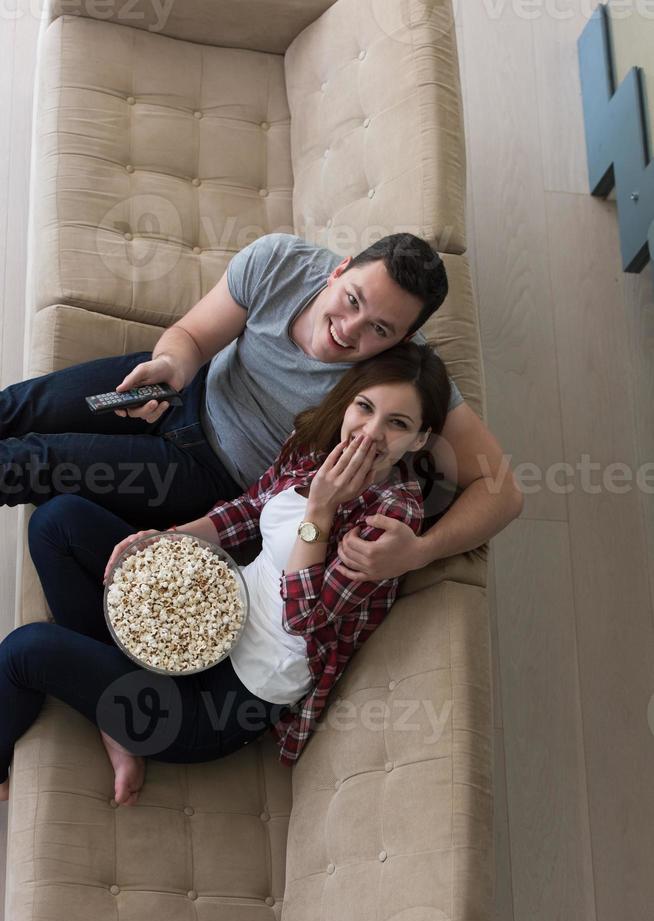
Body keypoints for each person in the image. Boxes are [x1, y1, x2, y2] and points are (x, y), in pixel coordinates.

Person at [0, 344, 450, 805]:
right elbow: (249, 511)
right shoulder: (314, 446)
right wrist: (165, 538)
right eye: (365, 407)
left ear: (419, 439)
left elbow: (304, 619)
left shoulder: (393, 518)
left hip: (226, 699)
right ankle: (110, 714)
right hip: (206, 618)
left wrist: (322, 508)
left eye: (397, 424)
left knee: (24, 651)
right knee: (57, 522)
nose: (370, 434)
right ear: (348, 398)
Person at [0, 232, 522, 582]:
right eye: (353, 300)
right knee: (16, 407)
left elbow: (503, 490)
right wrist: (172, 366)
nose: (350, 329)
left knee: (31, 461)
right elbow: (192, 336)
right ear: (337, 271)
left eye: (380, 330)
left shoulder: (403, 373)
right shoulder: (280, 262)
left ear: (406, 338)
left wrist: (422, 551)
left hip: (213, 474)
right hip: (187, 390)